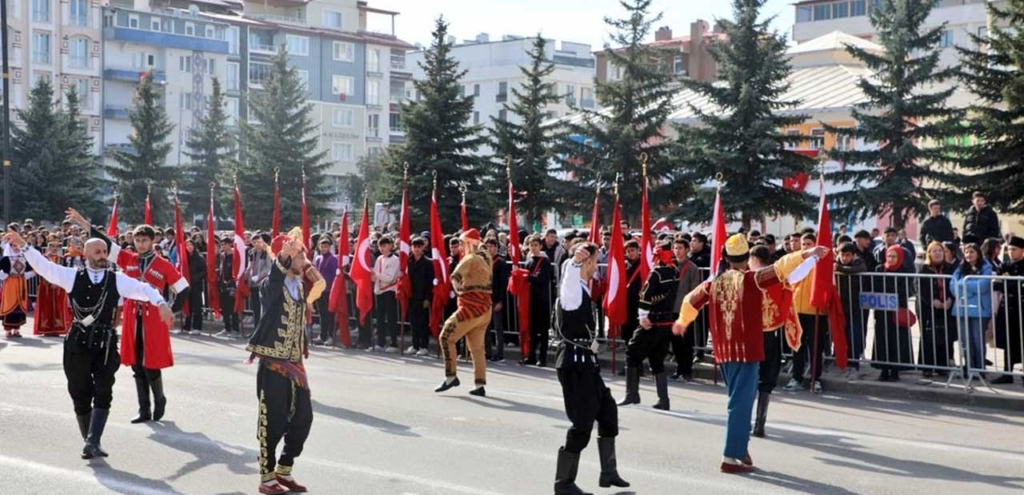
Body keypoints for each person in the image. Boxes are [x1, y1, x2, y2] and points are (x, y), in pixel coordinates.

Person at [9, 229, 172, 459]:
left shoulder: (117, 279)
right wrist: (25, 247)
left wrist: (161, 303)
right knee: (79, 392)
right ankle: (89, 440)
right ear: (86, 254)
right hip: (78, 342)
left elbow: (144, 289)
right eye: (97, 251)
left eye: (105, 251)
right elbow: (45, 268)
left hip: (105, 344)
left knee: (104, 390)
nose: (102, 254)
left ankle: (93, 440)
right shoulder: (72, 276)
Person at [676, 234, 824, 473]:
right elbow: (780, 268)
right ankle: (730, 457)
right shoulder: (752, 279)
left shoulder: (713, 282)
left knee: (738, 401)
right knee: (741, 404)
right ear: (746, 259)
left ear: (725, 257)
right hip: (746, 351)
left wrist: (682, 322)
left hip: (723, 351)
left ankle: (740, 447)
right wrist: (806, 253)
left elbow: (689, 301)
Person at [553, 243, 629, 495]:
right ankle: (563, 483)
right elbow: (568, 278)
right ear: (587, 263)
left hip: (587, 362)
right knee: (582, 423)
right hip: (573, 364)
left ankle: (608, 472)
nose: (597, 266)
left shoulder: (584, 288)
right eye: (595, 262)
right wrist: (575, 261)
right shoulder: (572, 291)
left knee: (607, 412)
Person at [245, 235, 317, 495]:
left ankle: (284, 469)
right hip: (273, 363)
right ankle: (266, 477)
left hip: (295, 365)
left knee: (303, 418)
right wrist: (284, 256)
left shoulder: (299, 286)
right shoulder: (272, 285)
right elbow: (273, 283)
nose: (305, 261)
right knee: (272, 423)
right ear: (287, 259)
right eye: (301, 256)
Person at [619, 241, 679, 410]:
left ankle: (632, 394)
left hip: (652, 320)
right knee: (657, 359)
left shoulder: (656, 274)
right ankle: (663, 399)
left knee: (632, 352)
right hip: (667, 321)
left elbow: (645, 297)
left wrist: (643, 316)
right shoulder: (675, 271)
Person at [435, 229, 493, 397]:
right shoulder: (486, 257)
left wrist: (458, 291)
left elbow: (455, 276)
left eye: (461, 243)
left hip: (471, 308)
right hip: (485, 308)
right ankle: (479, 383)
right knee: (477, 348)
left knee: (446, 336)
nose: (460, 247)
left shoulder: (470, 258)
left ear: (468, 243)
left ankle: (451, 375)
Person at [749, 245, 795, 438]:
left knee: (749, 377)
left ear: (755, 259)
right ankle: (760, 423)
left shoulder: (748, 278)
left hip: (751, 335)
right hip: (771, 334)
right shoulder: (777, 279)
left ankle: (746, 420)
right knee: (767, 378)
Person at [784, 233, 832, 394]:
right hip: (797, 310)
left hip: (815, 311)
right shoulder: (796, 261)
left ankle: (815, 378)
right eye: (803, 244)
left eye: (809, 243)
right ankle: (796, 377)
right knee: (797, 346)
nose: (805, 247)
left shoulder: (822, 264)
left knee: (815, 347)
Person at [951, 243, 994, 377]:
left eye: (972, 252)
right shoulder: (960, 267)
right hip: (963, 308)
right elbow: (952, 285)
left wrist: (964, 284)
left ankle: (980, 368)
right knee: (964, 340)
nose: (969, 255)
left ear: (978, 253)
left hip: (980, 310)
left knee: (977, 339)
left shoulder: (986, 267)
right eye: (966, 252)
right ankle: (968, 366)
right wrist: (969, 290)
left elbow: (982, 286)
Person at [873, 246, 915, 382]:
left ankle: (895, 371)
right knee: (882, 339)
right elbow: (875, 286)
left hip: (898, 310)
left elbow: (904, 290)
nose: (891, 259)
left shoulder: (904, 271)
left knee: (897, 340)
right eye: (889, 256)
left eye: (894, 256)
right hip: (882, 311)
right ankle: (883, 370)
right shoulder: (880, 269)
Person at [918, 242, 955, 377]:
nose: (938, 253)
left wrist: (950, 299)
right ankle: (927, 366)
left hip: (946, 306)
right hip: (928, 307)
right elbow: (919, 287)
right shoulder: (924, 268)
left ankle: (942, 366)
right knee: (928, 336)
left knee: (944, 336)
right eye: (934, 251)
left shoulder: (950, 268)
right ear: (929, 253)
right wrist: (932, 301)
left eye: (940, 250)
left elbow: (955, 285)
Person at [993, 236, 1024, 385]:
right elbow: (996, 285)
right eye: (1009, 249)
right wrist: (1013, 284)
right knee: (1008, 341)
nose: (1011, 252)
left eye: (1015, 249)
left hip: (1022, 307)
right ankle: (1007, 372)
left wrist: (1009, 284)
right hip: (1008, 307)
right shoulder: (1005, 266)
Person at [671, 237, 702, 381]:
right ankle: (679, 368)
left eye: (680, 248)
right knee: (676, 342)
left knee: (687, 342)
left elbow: (695, 290)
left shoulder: (692, 268)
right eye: (675, 248)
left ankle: (687, 370)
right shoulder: (670, 266)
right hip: (672, 309)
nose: (677, 251)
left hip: (685, 310)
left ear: (687, 250)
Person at [835, 242, 868, 376]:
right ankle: (843, 361)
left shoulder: (859, 262)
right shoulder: (836, 262)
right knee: (842, 335)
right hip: (841, 305)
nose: (844, 258)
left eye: (848, 255)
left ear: (853, 255)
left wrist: (840, 268)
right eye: (842, 255)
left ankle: (854, 364)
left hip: (855, 305)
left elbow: (860, 269)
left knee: (854, 335)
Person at [522, 234, 553, 366]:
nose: (533, 248)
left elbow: (541, 279)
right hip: (532, 300)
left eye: (536, 245)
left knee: (543, 331)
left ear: (540, 246)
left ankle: (543, 358)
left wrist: (526, 276)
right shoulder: (529, 261)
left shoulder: (544, 261)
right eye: (531, 245)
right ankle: (532, 356)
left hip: (543, 300)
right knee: (532, 331)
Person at [32, 238, 72, 336]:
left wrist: (57, 282)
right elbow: (40, 270)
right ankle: (45, 329)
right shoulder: (44, 258)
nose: (54, 248)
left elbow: (64, 271)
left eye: (56, 246)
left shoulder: (62, 259)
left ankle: (57, 329)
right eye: (52, 246)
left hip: (58, 286)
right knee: (46, 306)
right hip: (46, 285)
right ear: (49, 247)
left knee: (58, 307)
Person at [1, 225, 34, 338]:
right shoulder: (6, 258)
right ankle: (8, 330)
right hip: (10, 284)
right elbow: (2, 271)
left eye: (17, 245)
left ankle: (17, 329)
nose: (16, 247)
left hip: (21, 283)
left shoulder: (24, 257)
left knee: (19, 307)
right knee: (10, 305)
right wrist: (5, 274)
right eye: (13, 245)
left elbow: (31, 269)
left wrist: (26, 274)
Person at [372, 236, 400, 352]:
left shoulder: (395, 259)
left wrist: (376, 274)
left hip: (389, 291)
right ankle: (381, 342)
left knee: (391, 317)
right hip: (379, 290)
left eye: (385, 246)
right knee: (380, 318)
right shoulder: (379, 259)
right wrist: (373, 275)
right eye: (381, 246)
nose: (383, 248)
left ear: (391, 246)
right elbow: (375, 276)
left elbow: (390, 278)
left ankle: (394, 343)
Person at [407, 237, 434, 356]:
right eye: (415, 247)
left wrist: (428, 298)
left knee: (423, 322)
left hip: (423, 296)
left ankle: (424, 346)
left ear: (423, 248)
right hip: (411, 296)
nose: (417, 249)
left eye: (419, 247)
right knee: (413, 322)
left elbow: (430, 281)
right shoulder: (408, 261)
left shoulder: (429, 262)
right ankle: (415, 344)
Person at [486, 238, 511, 363]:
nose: (490, 249)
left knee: (498, 328)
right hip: (485, 299)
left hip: (496, 299)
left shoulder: (501, 262)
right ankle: (487, 351)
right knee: (485, 327)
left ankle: (499, 353)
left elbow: (503, 283)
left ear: (496, 247)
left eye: (492, 246)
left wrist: (500, 301)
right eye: (488, 246)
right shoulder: (484, 261)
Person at [313, 238, 338, 346]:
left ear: (330, 247)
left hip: (329, 290)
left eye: (326, 246)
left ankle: (331, 336)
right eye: (322, 246)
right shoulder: (318, 258)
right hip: (320, 290)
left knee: (330, 313)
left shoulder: (333, 259)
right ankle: (322, 336)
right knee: (322, 314)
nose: (324, 249)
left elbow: (334, 275)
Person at [183, 239, 207, 335]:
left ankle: (197, 327)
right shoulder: (185, 258)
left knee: (197, 306)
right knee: (188, 305)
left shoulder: (199, 257)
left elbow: (204, 270)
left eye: (191, 245)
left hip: (196, 285)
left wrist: (195, 278)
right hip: (186, 285)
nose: (189, 247)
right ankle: (187, 326)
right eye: (187, 245)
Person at [217, 237, 240, 337]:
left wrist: (234, 285)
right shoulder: (222, 255)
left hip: (232, 284)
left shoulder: (235, 255)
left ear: (230, 244)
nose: (223, 246)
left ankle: (236, 329)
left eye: (225, 244)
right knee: (224, 308)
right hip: (223, 284)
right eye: (222, 245)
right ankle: (227, 328)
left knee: (233, 309)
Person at [249, 233, 273, 327]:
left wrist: (259, 276)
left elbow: (268, 267)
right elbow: (249, 266)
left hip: (262, 283)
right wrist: (246, 276)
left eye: (258, 242)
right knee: (255, 308)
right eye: (254, 242)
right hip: (253, 283)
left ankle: (262, 328)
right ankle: (256, 328)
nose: (256, 244)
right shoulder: (252, 252)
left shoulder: (267, 252)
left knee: (262, 307)